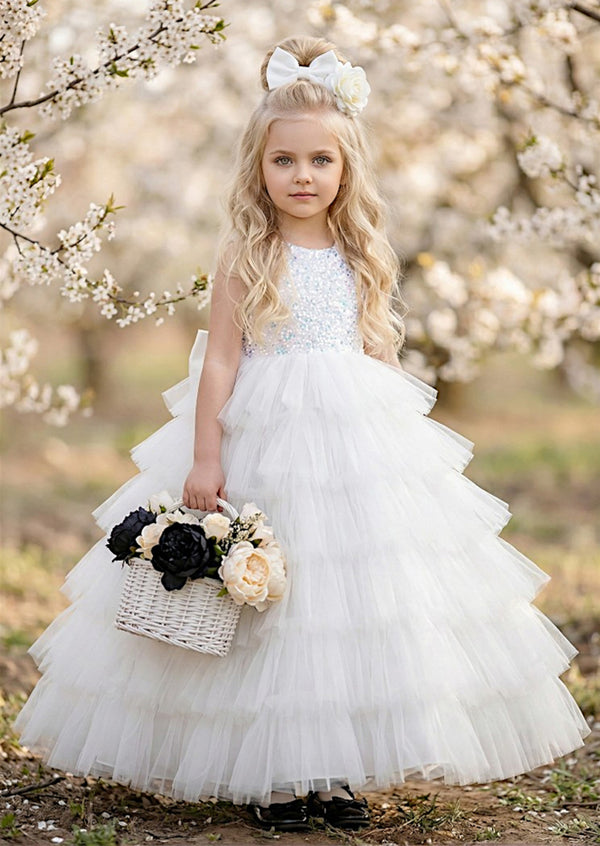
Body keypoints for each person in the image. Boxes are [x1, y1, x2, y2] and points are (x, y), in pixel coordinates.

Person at [15, 34, 590, 835]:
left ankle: (335, 764)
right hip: (266, 432)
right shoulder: (247, 253)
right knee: (270, 600)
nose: (303, 177)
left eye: (321, 160)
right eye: (284, 161)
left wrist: (399, 445)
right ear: (258, 166)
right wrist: (208, 455)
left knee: (348, 603)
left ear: (346, 168)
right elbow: (219, 362)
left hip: (351, 435)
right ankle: (279, 772)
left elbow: (376, 349)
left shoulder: (361, 250)